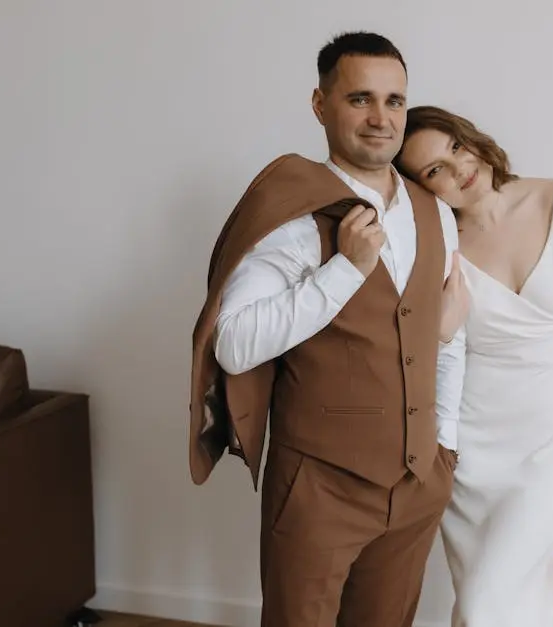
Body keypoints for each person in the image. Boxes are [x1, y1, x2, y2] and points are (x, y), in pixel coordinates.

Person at [188, 35, 470, 626]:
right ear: (320, 104)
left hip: (418, 482)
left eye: (394, 101)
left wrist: (444, 444)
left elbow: (447, 334)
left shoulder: (435, 212)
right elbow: (233, 345)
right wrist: (344, 271)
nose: (380, 118)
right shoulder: (287, 212)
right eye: (360, 98)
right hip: (319, 486)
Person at [393, 105, 553, 626]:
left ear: (472, 139)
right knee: (504, 603)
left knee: (487, 605)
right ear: (421, 188)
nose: (459, 169)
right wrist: (441, 444)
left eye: (455, 147)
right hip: (472, 449)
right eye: (435, 170)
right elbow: (436, 349)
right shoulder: (436, 244)